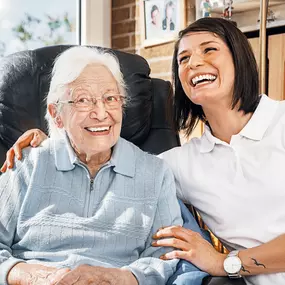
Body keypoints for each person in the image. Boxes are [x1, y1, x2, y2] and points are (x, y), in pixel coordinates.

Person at [5, 17, 285, 285]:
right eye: (183, 59)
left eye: (110, 98)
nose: (195, 62)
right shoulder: (177, 164)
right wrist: (52, 143)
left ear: (241, 58)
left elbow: (166, 259)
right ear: (56, 114)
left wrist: (225, 263)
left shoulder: (280, 121)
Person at [0, 46, 185, 285]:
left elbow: (165, 253)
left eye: (110, 98)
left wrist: (122, 278)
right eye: (83, 100)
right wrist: (33, 276)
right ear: (56, 114)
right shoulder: (26, 164)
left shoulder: (155, 173)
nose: (101, 113)